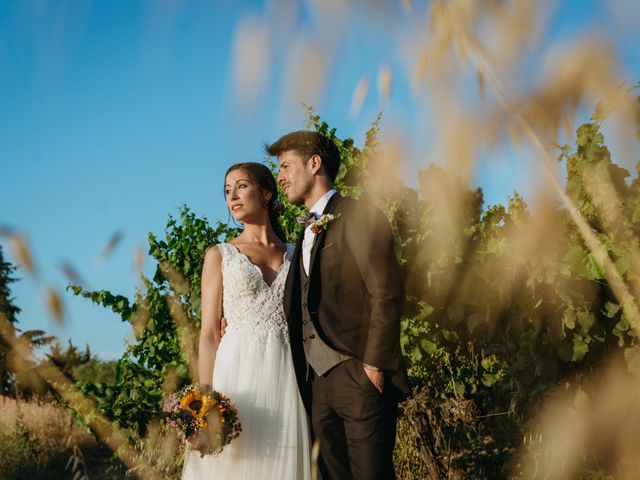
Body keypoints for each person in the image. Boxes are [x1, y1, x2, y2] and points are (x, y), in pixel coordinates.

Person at [266, 131, 411, 480]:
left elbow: (386, 292)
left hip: (357, 374)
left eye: (286, 166)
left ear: (315, 164)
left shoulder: (358, 214)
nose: (280, 177)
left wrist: (374, 367)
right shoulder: (302, 233)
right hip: (317, 388)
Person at [182, 162, 311, 480]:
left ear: (266, 193)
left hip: (287, 372)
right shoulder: (220, 255)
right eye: (227, 190)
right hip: (237, 372)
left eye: (241, 186)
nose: (232, 196)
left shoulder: (298, 254)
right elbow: (210, 333)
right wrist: (205, 398)